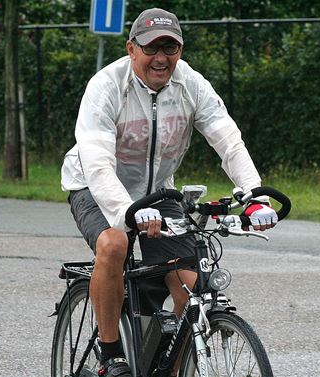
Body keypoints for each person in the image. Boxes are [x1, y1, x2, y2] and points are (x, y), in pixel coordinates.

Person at [61, 8, 278, 377]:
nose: (161, 58)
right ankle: (111, 354)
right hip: (94, 185)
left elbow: (228, 140)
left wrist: (255, 195)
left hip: (158, 192)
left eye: (170, 47)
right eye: (151, 48)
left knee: (192, 289)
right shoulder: (107, 85)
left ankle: (169, 367)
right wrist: (125, 211)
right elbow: (97, 163)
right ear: (131, 49)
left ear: (180, 49)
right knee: (114, 244)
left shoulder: (190, 84)